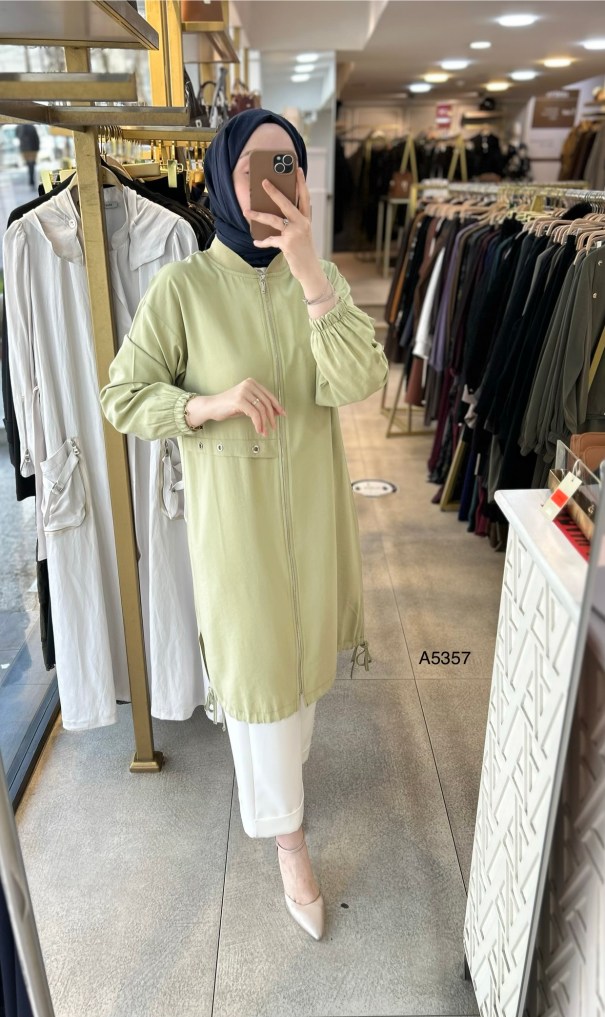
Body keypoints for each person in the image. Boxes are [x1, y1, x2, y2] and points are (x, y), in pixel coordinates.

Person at [100, 108, 388, 941]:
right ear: (223, 179)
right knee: (261, 680)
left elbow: (357, 380)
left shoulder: (316, 280)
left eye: (287, 164)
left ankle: (285, 792)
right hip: (238, 531)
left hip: (316, 519)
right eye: (255, 166)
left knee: (300, 674)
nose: (274, 181)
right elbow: (123, 397)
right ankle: (288, 842)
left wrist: (309, 274)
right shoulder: (184, 288)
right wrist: (205, 403)